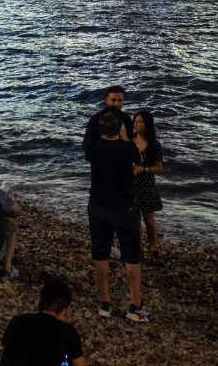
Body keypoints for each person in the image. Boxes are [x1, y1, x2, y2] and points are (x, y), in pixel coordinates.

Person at [85, 109, 148, 322]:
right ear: (120, 128)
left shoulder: (93, 148)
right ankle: (135, 306)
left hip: (98, 205)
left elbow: (89, 147)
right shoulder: (128, 148)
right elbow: (138, 161)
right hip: (124, 207)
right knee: (131, 257)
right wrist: (124, 137)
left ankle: (105, 302)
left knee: (100, 255)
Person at [0, 274, 85, 366]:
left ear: (39, 305)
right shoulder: (67, 332)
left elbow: (6, 355)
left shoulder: (17, 322)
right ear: (66, 311)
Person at [131, 110, 164, 252]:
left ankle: (153, 247)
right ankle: (137, 250)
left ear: (147, 124)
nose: (136, 124)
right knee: (135, 222)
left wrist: (143, 169)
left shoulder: (154, 145)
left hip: (147, 185)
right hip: (131, 185)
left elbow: (159, 167)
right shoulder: (129, 142)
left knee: (149, 221)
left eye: (140, 122)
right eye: (135, 121)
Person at [81, 85, 127, 158]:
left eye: (120, 100)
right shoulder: (95, 119)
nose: (117, 104)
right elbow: (86, 146)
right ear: (107, 101)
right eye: (113, 100)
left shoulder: (126, 118)